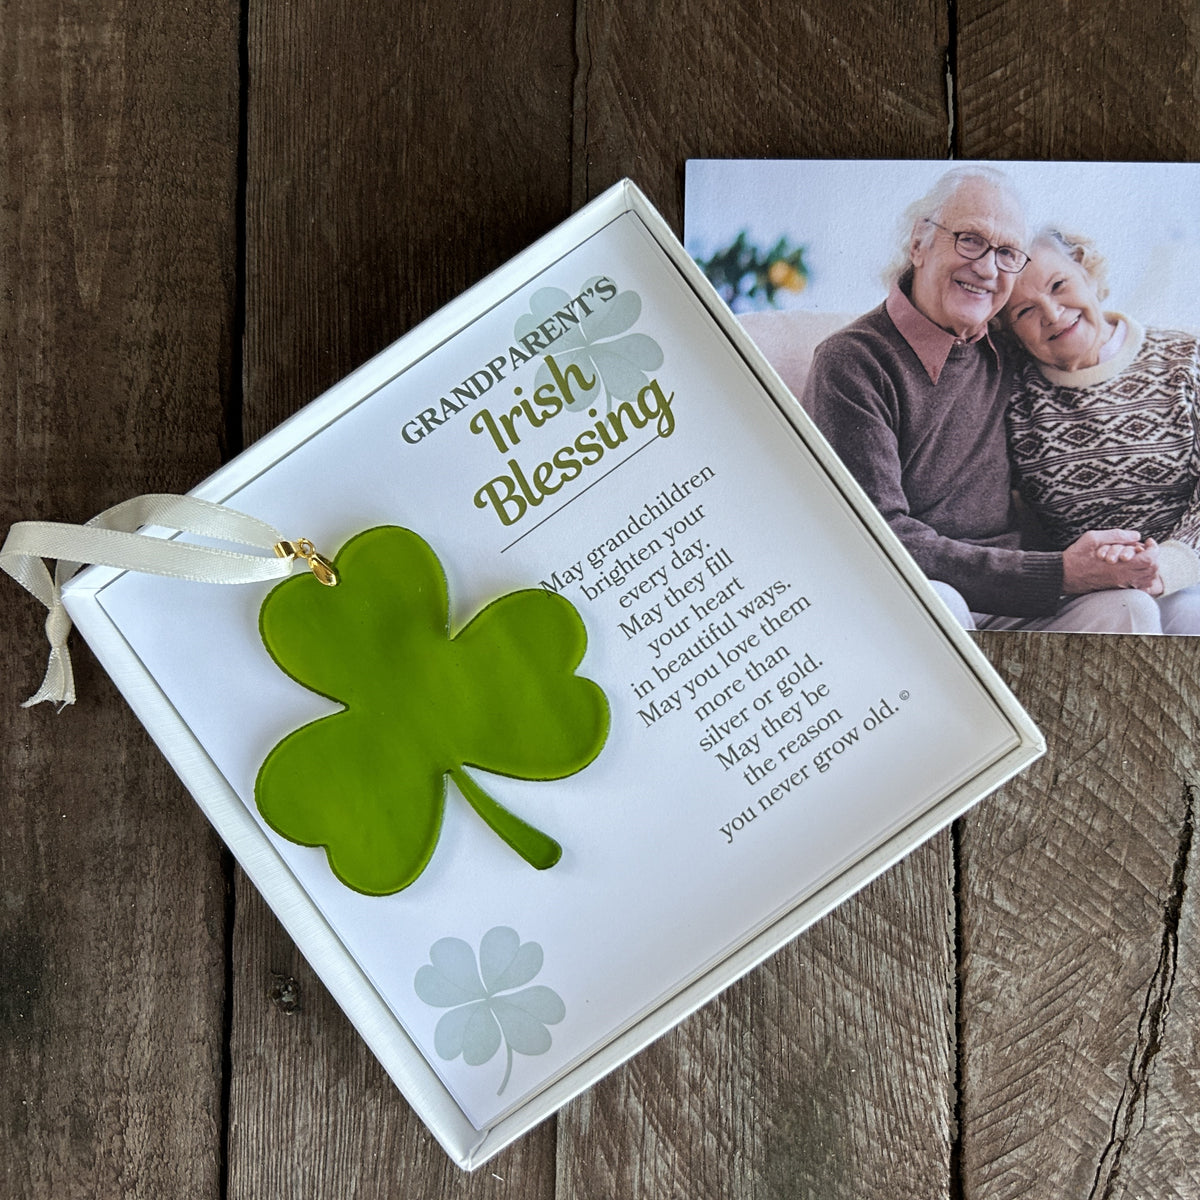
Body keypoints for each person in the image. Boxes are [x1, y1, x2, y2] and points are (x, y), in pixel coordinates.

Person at [803, 165, 1164, 633]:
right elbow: (878, 533)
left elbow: (1082, 346)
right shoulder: (853, 362)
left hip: (1015, 598)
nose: (988, 269)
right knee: (941, 600)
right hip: (915, 597)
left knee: (1131, 610)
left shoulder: (1005, 345)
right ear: (919, 243)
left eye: (1008, 253)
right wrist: (1058, 572)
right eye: (970, 240)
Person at [1002, 227, 1200, 633]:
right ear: (1009, 329)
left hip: (1189, 578)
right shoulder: (1013, 398)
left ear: (1085, 268)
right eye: (1024, 311)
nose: (1053, 314)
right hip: (1091, 597)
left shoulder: (1184, 358)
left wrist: (1165, 567)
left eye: (1059, 285)